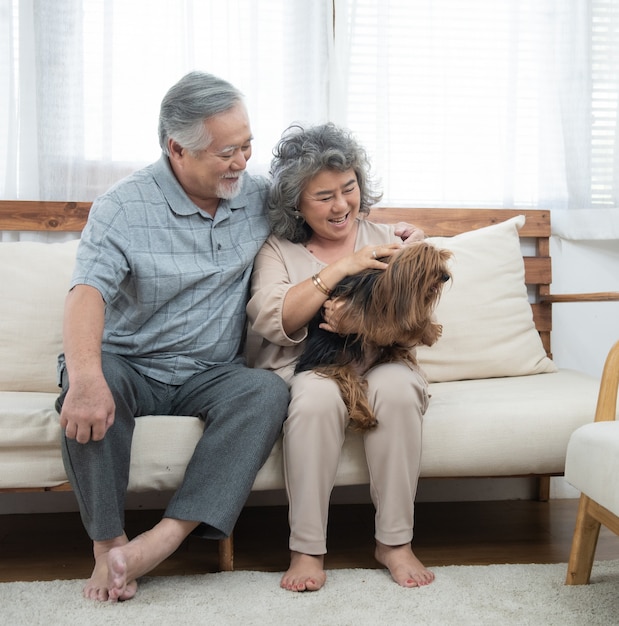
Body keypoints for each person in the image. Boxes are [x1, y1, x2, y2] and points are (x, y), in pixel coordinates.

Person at [55, 71, 289, 602]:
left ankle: (162, 540)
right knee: (89, 381)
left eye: (248, 145)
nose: (243, 162)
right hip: (132, 362)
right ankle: (108, 547)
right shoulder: (124, 206)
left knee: (267, 390)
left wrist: (390, 232)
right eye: (228, 151)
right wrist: (87, 379)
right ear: (177, 149)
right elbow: (86, 291)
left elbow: (332, 211)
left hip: (211, 372)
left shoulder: (258, 198)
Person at [246, 122, 434, 592]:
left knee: (396, 387)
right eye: (323, 195)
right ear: (296, 204)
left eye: (348, 188)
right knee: (314, 399)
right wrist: (343, 267)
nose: (341, 205)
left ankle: (395, 542)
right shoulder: (279, 250)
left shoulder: (389, 237)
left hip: (382, 362)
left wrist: (363, 321)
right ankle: (307, 549)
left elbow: (416, 325)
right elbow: (275, 319)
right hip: (312, 369)